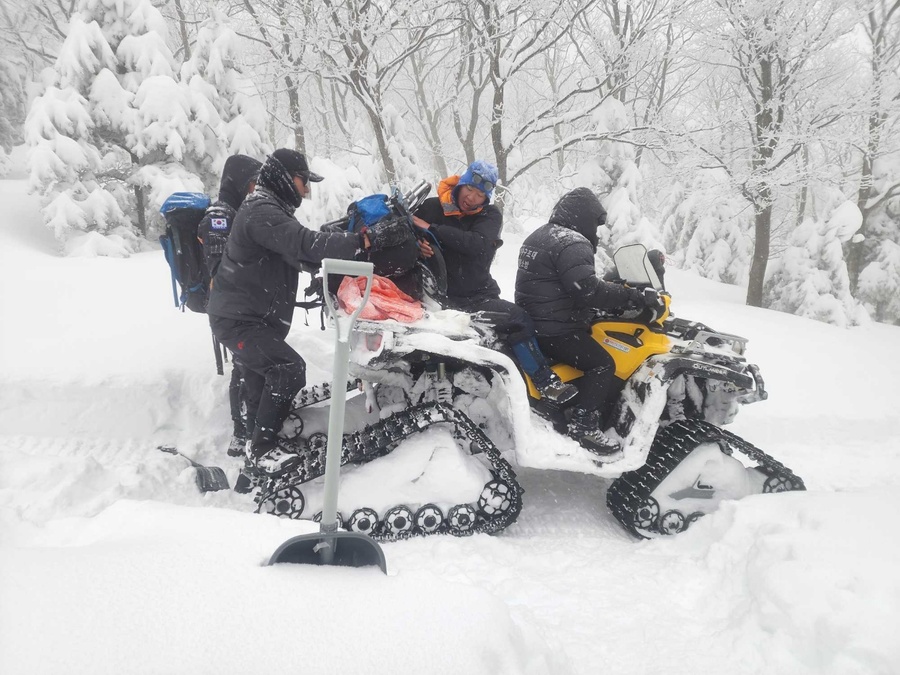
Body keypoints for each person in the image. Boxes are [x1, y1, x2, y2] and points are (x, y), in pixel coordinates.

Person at [206, 148, 395, 476]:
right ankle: (262, 450)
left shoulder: (268, 210)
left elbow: (302, 256)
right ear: (283, 177)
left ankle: (255, 468)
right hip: (239, 321)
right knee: (287, 368)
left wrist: (329, 272)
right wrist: (363, 241)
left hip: (251, 319)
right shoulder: (260, 210)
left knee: (259, 386)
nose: (307, 190)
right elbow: (304, 244)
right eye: (303, 181)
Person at [412, 160, 577, 403]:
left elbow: (476, 245)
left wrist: (433, 230)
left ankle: (542, 381)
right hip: (438, 298)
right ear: (461, 184)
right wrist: (419, 246)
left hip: (478, 296)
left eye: (480, 195)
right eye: (470, 189)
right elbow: (408, 235)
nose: (472, 198)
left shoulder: (490, 215)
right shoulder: (431, 207)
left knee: (517, 319)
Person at [515, 187, 664, 455]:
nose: (595, 232)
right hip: (555, 329)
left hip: (534, 322)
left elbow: (561, 284)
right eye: (595, 224)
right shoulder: (573, 242)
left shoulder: (541, 235)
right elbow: (587, 290)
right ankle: (584, 425)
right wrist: (632, 296)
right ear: (584, 216)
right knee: (603, 363)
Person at [198, 154, 262, 458]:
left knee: (246, 367)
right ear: (237, 180)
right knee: (243, 367)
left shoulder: (234, 211)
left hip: (240, 307)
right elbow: (222, 268)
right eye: (250, 181)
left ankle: (248, 430)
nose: (253, 188)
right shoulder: (219, 216)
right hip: (230, 310)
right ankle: (241, 435)